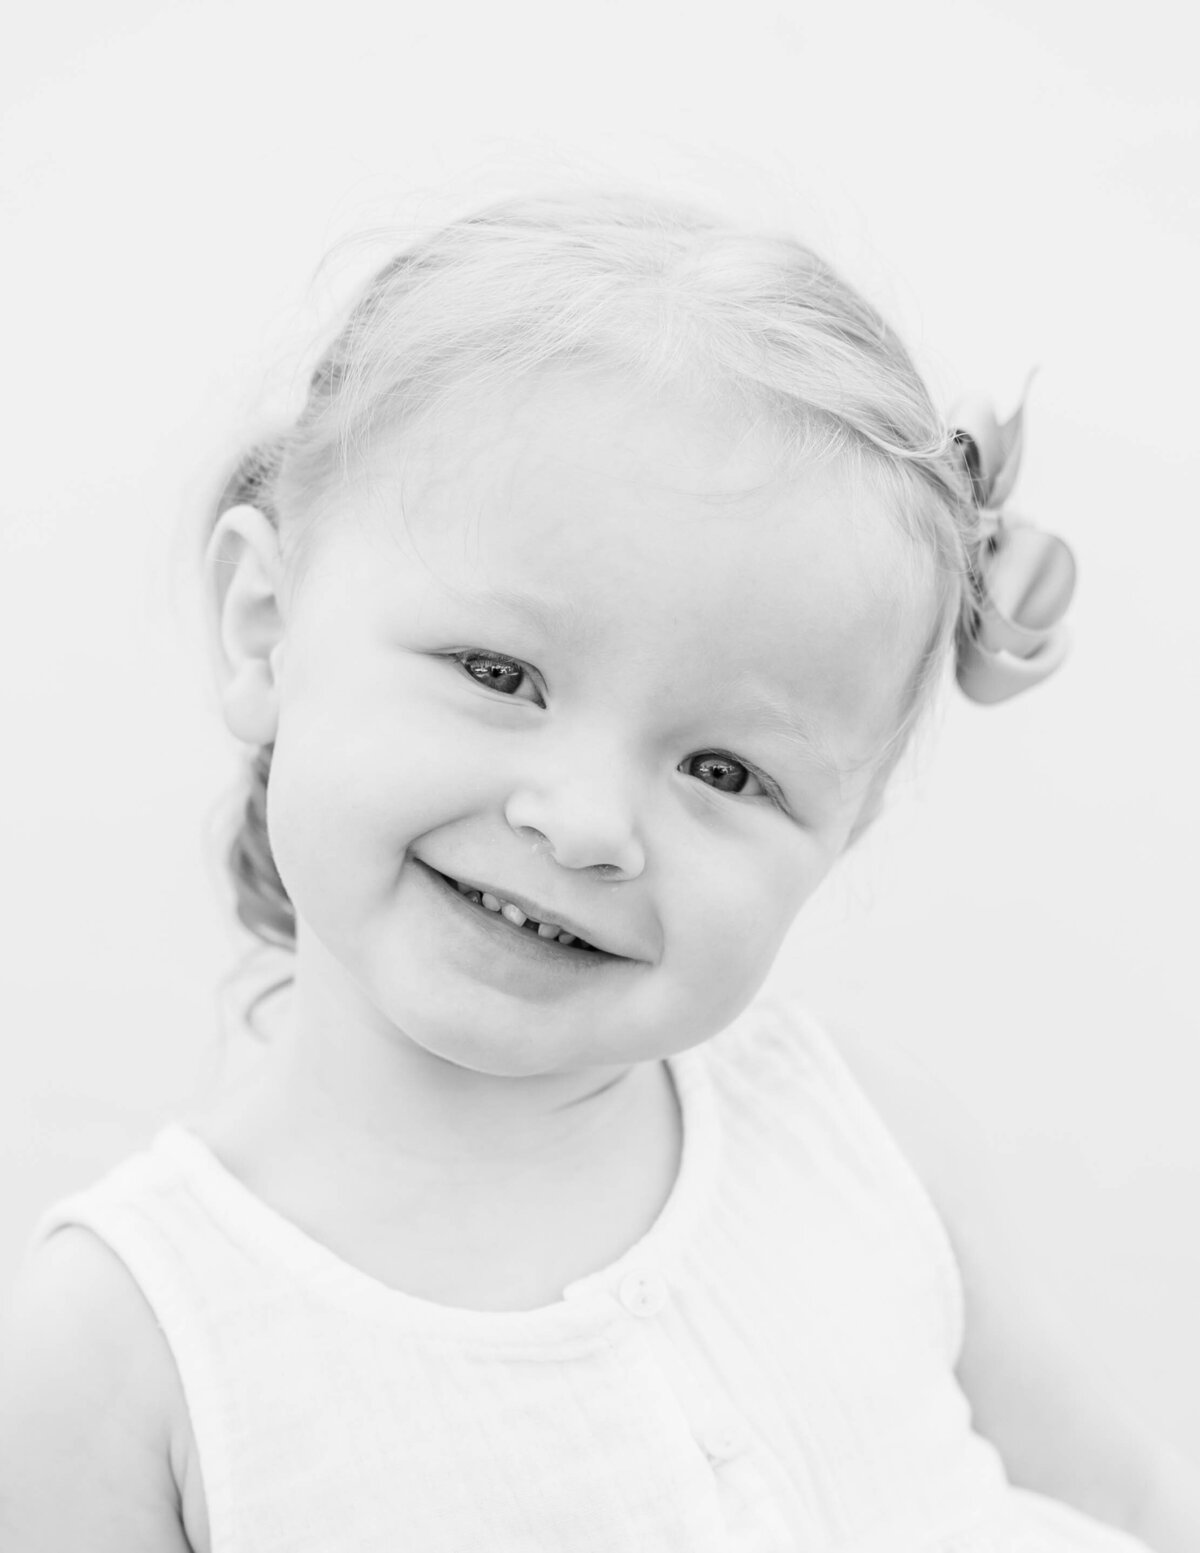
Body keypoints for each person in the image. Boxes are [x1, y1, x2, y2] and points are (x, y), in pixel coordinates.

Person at [2, 188, 1196, 1553]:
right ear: (267, 627)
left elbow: (1140, 1503)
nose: (588, 824)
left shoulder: (844, 1136)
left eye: (727, 771)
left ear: (841, 832)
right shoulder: (129, 1346)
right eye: (501, 674)